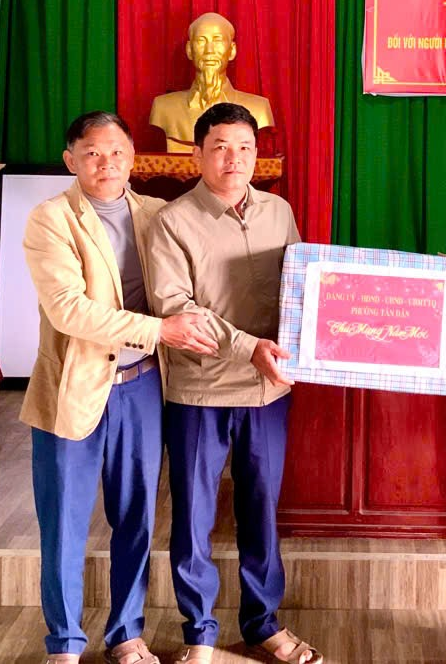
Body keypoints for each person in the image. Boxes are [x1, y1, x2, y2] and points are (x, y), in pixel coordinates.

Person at [21, 111, 220, 664]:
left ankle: (126, 634)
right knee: (64, 522)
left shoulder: (157, 215)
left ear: (134, 158)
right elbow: (69, 309)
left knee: (136, 519)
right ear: (71, 160)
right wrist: (159, 330)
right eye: (91, 153)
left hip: (142, 387)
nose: (105, 163)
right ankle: (64, 643)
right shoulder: (51, 219)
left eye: (116, 152)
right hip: (74, 388)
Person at [148, 103, 322, 664]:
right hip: (199, 393)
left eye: (245, 147)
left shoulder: (279, 211)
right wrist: (250, 348)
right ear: (197, 155)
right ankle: (198, 633)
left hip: (268, 393)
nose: (234, 158)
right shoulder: (172, 221)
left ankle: (263, 624)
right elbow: (176, 307)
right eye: (220, 147)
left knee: (261, 510)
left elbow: (301, 288)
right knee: (194, 515)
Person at [148, 12, 275, 153]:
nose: (209, 51)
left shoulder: (259, 109)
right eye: (201, 41)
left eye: (218, 41)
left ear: (232, 50)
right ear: (189, 50)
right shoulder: (163, 107)